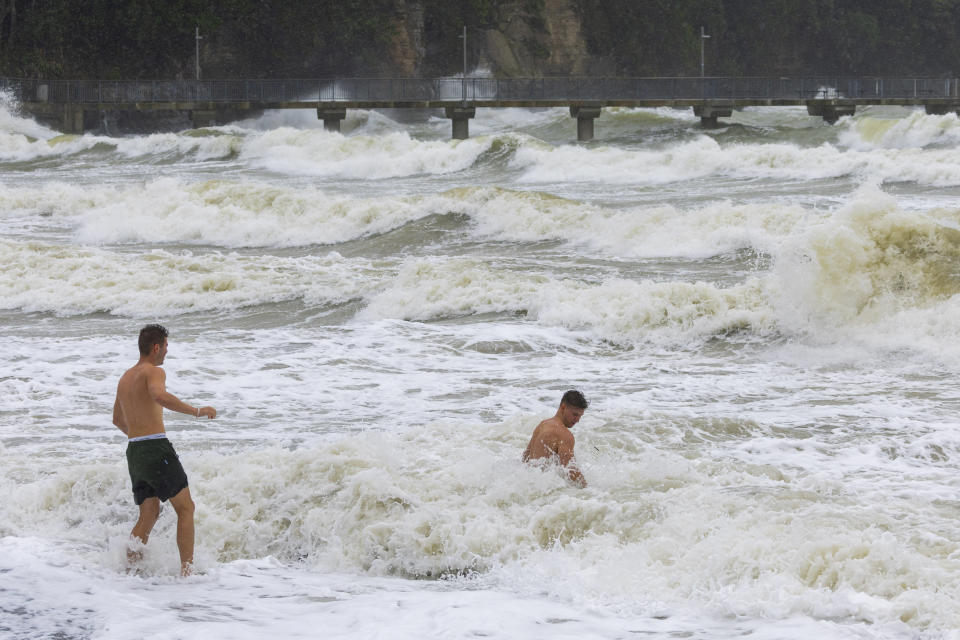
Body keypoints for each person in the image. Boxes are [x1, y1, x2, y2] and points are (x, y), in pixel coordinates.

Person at [112, 324, 216, 576]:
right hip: (155, 447)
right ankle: (187, 573)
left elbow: (117, 419)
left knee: (149, 513)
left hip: (135, 451)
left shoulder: (125, 377)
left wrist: (140, 437)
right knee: (186, 508)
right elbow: (159, 396)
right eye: (166, 346)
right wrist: (198, 411)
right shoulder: (154, 371)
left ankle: (129, 570)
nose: (167, 351)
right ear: (156, 347)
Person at [522, 390, 588, 487]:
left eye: (580, 416)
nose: (577, 420)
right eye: (575, 415)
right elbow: (571, 471)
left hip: (529, 484)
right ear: (563, 407)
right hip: (543, 488)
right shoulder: (564, 434)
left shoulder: (542, 424)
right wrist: (589, 490)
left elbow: (525, 458)